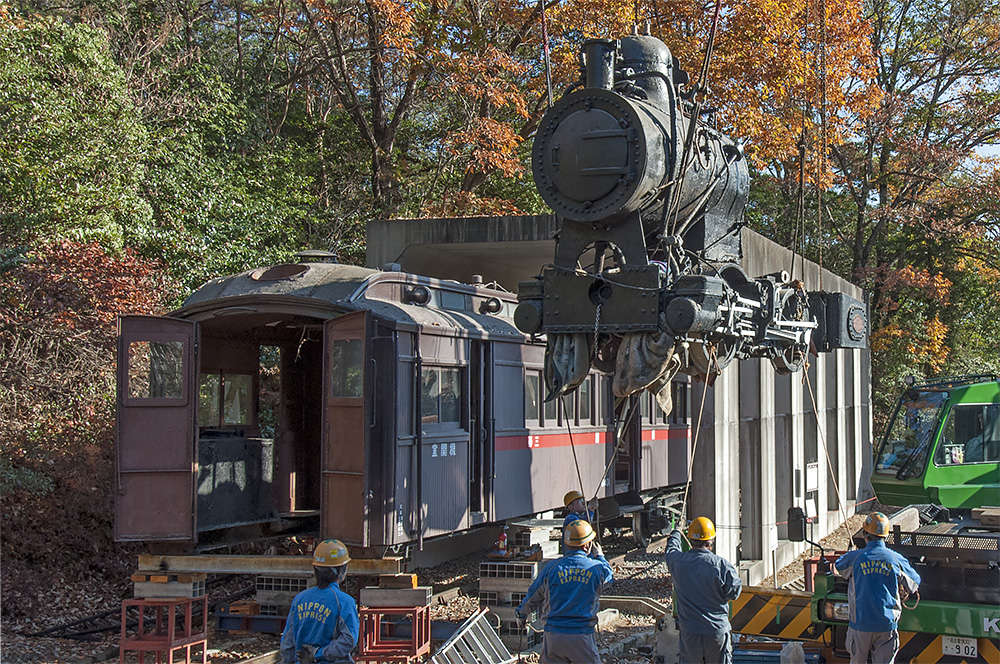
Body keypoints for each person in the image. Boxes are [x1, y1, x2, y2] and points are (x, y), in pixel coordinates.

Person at [517, 519, 614, 664]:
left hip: (553, 637)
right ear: (587, 545)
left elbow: (533, 595)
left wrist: (521, 614)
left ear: (567, 544)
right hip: (581, 637)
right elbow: (609, 578)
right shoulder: (597, 568)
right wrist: (600, 556)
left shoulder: (551, 568)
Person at [834, 512, 921, 664]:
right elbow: (915, 581)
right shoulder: (895, 559)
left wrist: (854, 553)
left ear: (865, 534)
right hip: (886, 626)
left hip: (860, 626)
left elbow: (839, 565)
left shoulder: (855, 558)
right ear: (885, 536)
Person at [664, 516, 742, 664]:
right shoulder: (721, 565)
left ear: (690, 540)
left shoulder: (678, 563)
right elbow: (734, 592)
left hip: (690, 633)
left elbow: (671, 550)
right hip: (716, 631)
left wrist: (675, 533)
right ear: (711, 542)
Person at [280, 539, 360, 664]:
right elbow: (349, 640)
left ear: (315, 569)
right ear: (342, 570)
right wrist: (317, 654)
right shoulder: (344, 602)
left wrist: (287, 661)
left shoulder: (300, 599)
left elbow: (288, 642)